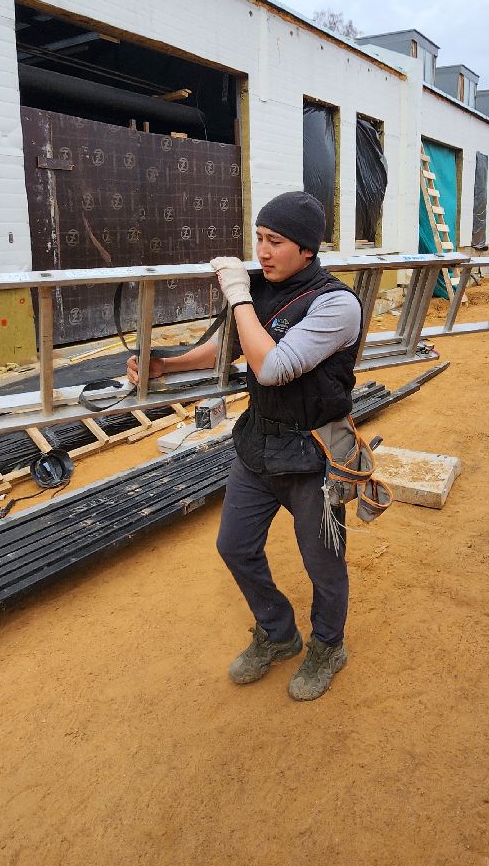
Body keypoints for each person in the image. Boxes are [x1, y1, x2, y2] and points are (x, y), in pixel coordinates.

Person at [127, 191, 362, 701]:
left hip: (314, 454)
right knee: (234, 546)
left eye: (275, 241)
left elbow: (272, 367)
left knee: (323, 562)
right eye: (258, 238)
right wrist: (167, 363)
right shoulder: (261, 289)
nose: (262, 251)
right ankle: (277, 634)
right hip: (257, 445)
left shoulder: (336, 304)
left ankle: (328, 644)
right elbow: (232, 345)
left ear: (307, 250)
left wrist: (237, 296)